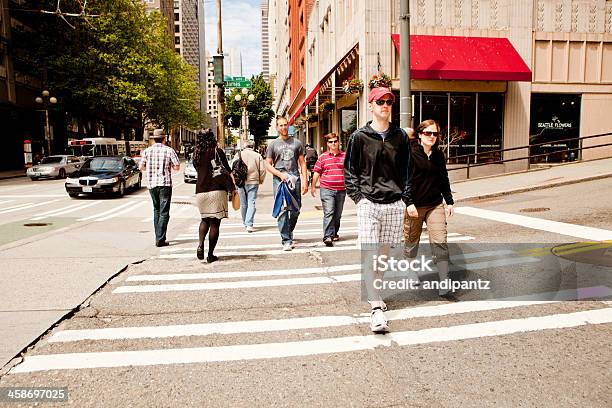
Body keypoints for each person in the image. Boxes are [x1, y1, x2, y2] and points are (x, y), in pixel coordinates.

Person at [344, 86, 412, 333]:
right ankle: (375, 305)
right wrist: (358, 198)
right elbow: (350, 170)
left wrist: (404, 198)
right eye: (380, 101)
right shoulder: (359, 137)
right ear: (370, 105)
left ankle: (375, 290)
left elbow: (407, 170)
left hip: (394, 203)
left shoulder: (400, 136)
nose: (385, 105)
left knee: (383, 255)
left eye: (389, 101)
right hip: (368, 203)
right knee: (370, 252)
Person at [403, 119, 455, 299]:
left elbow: (443, 178)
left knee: (440, 240)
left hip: (435, 204)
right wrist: (408, 202)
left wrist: (449, 200)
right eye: (428, 133)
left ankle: (444, 280)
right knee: (411, 240)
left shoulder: (439, 155)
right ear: (419, 135)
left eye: (435, 133)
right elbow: (405, 181)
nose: (432, 136)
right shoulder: (410, 154)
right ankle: (410, 270)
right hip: (414, 206)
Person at [265, 116, 308, 251]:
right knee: (283, 210)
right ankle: (286, 240)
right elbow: (268, 164)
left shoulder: (297, 143)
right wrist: (280, 175)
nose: (283, 127)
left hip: (295, 179)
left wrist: (305, 181)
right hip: (279, 181)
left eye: (285, 125)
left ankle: (289, 230)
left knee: (296, 209)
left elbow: (302, 162)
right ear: (277, 127)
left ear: (288, 126)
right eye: (281, 125)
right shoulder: (272, 144)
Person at [193, 129, 235, 263]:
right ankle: (210, 255)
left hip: (200, 191)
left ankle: (200, 244)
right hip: (217, 190)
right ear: (212, 138)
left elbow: (198, 170)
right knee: (215, 223)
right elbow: (227, 170)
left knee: (204, 219)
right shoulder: (218, 152)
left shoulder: (196, 154)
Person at [140, 129, 181, 247]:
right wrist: (169, 166)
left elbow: (141, 167)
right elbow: (177, 167)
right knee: (164, 212)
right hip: (165, 184)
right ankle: (160, 238)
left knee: (156, 210)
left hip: (152, 184)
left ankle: (158, 236)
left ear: (154, 138)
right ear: (164, 138)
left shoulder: (147, 151)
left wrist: (150, 169)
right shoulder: (169, 150)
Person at [310, 132, 346, 247]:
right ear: (327, 144)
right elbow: (316, 172)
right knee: (329, 212)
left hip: (341, 189)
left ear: (339, 142)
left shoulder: (345, 156)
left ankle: (334, 233)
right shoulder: (323, 157)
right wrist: (313, 187)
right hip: (327, 189)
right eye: (331, 142)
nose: (333, 143)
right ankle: (327, 236)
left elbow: (350, 172)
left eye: (335, 141)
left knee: (338, 214)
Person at [233, 140, 267, 232]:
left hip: (241, 182)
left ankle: (245, 223)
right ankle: (249, 224)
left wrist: (234, 181)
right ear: (253, 146)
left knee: (243, 204)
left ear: (244, 146)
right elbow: (263, 170)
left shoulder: (238, 155)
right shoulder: (257, 155)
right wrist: (260, 179)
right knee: (251, 202)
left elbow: (233, 168)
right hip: (253, 181)